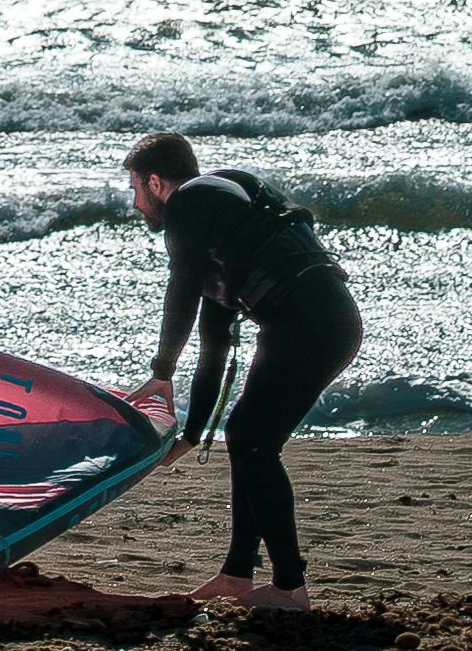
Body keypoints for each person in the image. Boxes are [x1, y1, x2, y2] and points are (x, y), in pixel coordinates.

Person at [125, 131, 362, 613]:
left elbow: (183, 287)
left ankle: (290, 588)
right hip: (320, 322)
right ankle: (237, 574)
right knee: (247, 436)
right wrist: (190, 435)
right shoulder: (221, 211)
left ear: (155, 182)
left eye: (134, 189)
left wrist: (162, 371)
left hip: (307, 323)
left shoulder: (189, 203)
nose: (134, 204)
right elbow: (213, 346)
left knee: (252, 438)